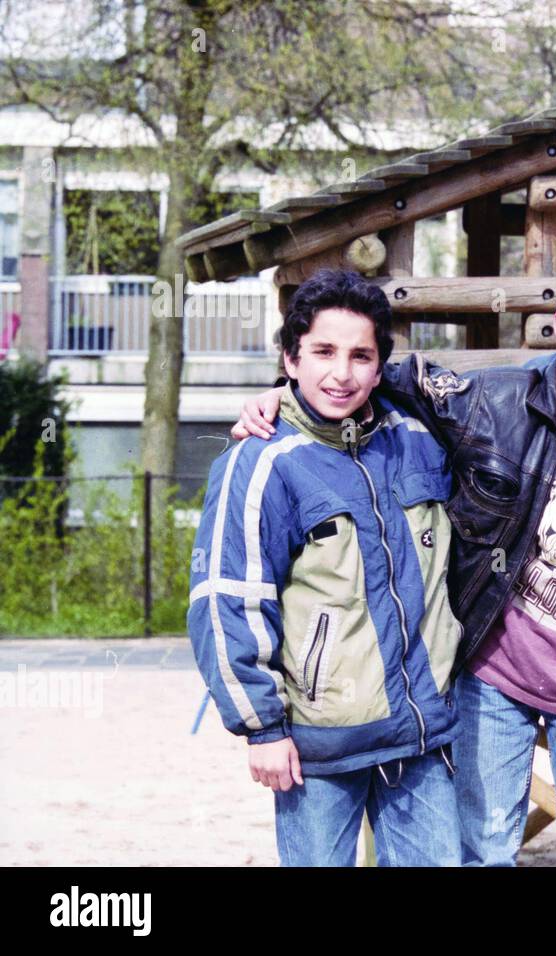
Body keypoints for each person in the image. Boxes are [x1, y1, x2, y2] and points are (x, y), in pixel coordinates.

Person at [233, 260, 556, 866]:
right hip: (495, 674)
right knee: (484, 850)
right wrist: (281, 392)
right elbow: (379, 376)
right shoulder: (490, 403)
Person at [189, 268, 463, 866]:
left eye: (361, 356)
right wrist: (261, 727)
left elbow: (518, 400)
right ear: (289, 357)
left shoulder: (418, 435)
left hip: (420, 734)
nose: (342, 373)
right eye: (322, 351)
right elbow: (226, 600)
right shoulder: (259, 463)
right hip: (317, 741)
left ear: (381, 365)